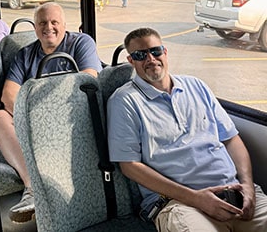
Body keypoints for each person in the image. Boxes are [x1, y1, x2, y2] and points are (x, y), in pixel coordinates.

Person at [107, 27, 267, 231]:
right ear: (131, 61)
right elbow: (129, 166)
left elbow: (231, 139)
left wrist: (248, 186)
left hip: (234, 192)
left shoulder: (196, 86)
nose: (150, 59)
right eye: (140, 55)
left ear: (165, 52)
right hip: (179, 203)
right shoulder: (125, 101)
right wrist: (196, 199)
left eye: (155, 51)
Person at [0, 2, 103, 223]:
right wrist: (35, 122)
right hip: (32, 122)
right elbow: (8, 95)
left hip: (73, 120)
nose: (48, 27)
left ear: (64, 25)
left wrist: (51, 117)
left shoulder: (81, 43)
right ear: (35, 27)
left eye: (54, 22)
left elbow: (89, 80)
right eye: (42, 23)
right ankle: (32, 188)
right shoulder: (25, 55)